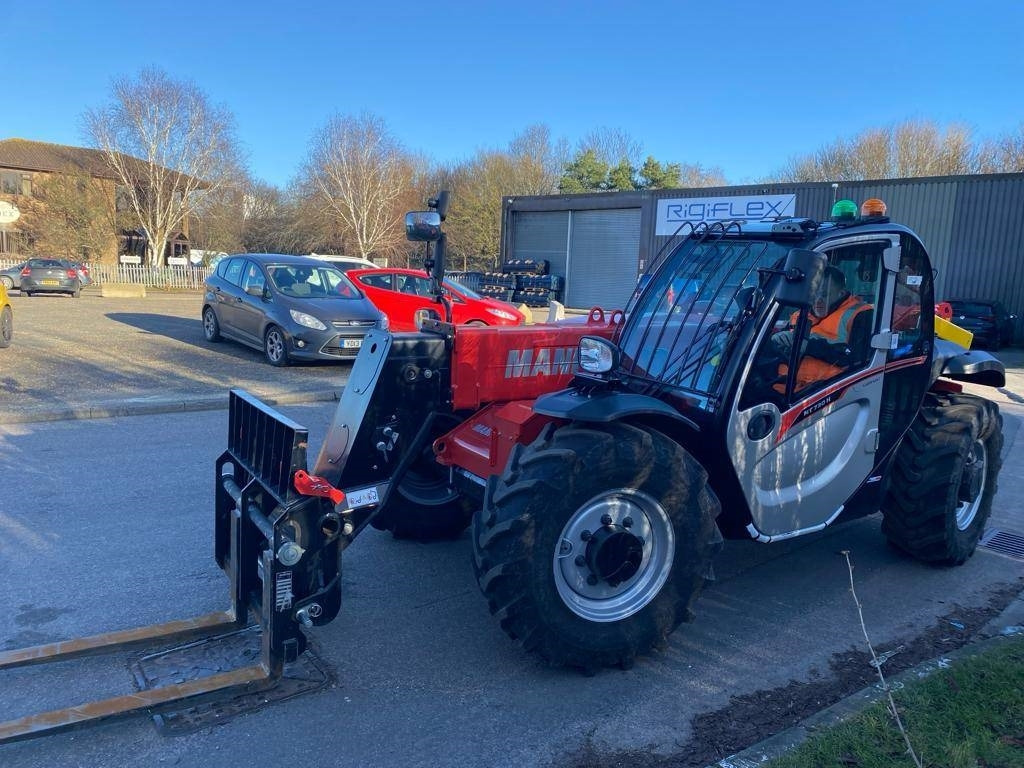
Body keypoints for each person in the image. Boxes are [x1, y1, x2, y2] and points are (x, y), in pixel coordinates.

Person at [772, 266, 873, 393]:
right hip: (785, 389)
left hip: (828, 393)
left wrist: (808, 345)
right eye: (814, 293)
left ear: (841, 294)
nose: (818, 300)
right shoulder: (799, 314)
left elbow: (858, 360)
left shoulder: (859, 314)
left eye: (824, 294)